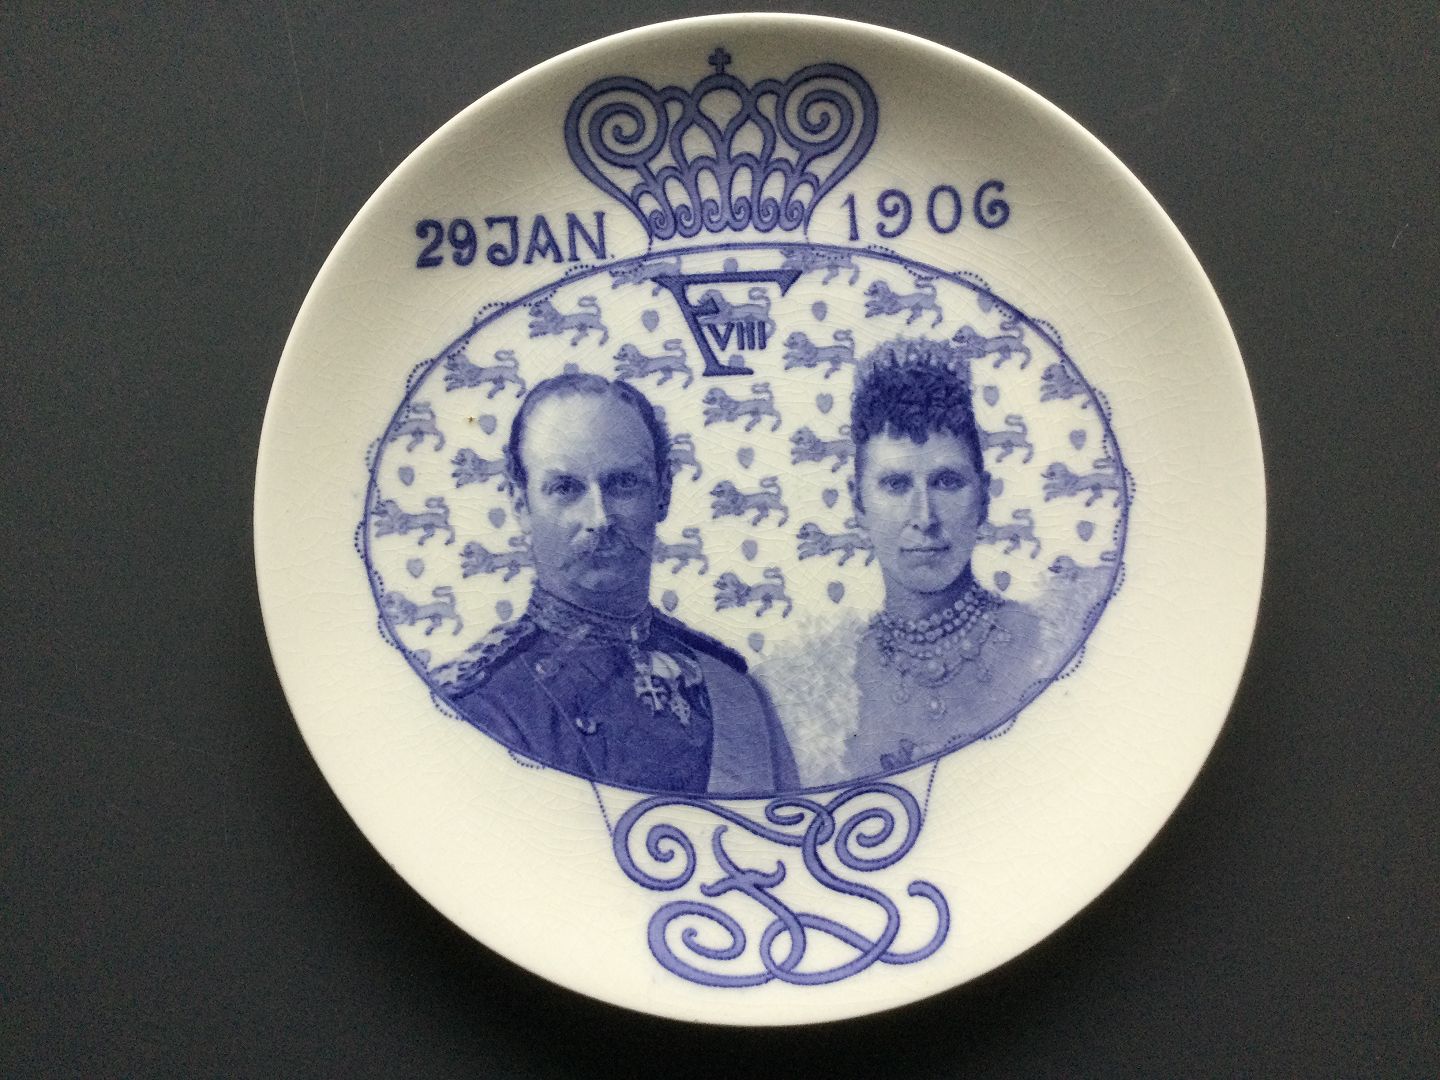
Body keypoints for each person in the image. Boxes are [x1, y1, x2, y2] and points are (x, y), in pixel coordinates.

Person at [437, 372, 797, 795]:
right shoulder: (481, 702)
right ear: (521, 504)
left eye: (624, 483)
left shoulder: (732, 691)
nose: (600, 518)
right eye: (565, 488)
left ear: (663, 493)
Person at [843, 339, 1051, 775]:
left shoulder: (1044, 644)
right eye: (896, 485)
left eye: (947, 482)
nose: (925, 518)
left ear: (984, 496)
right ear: (858, 502)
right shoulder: (829, 678)